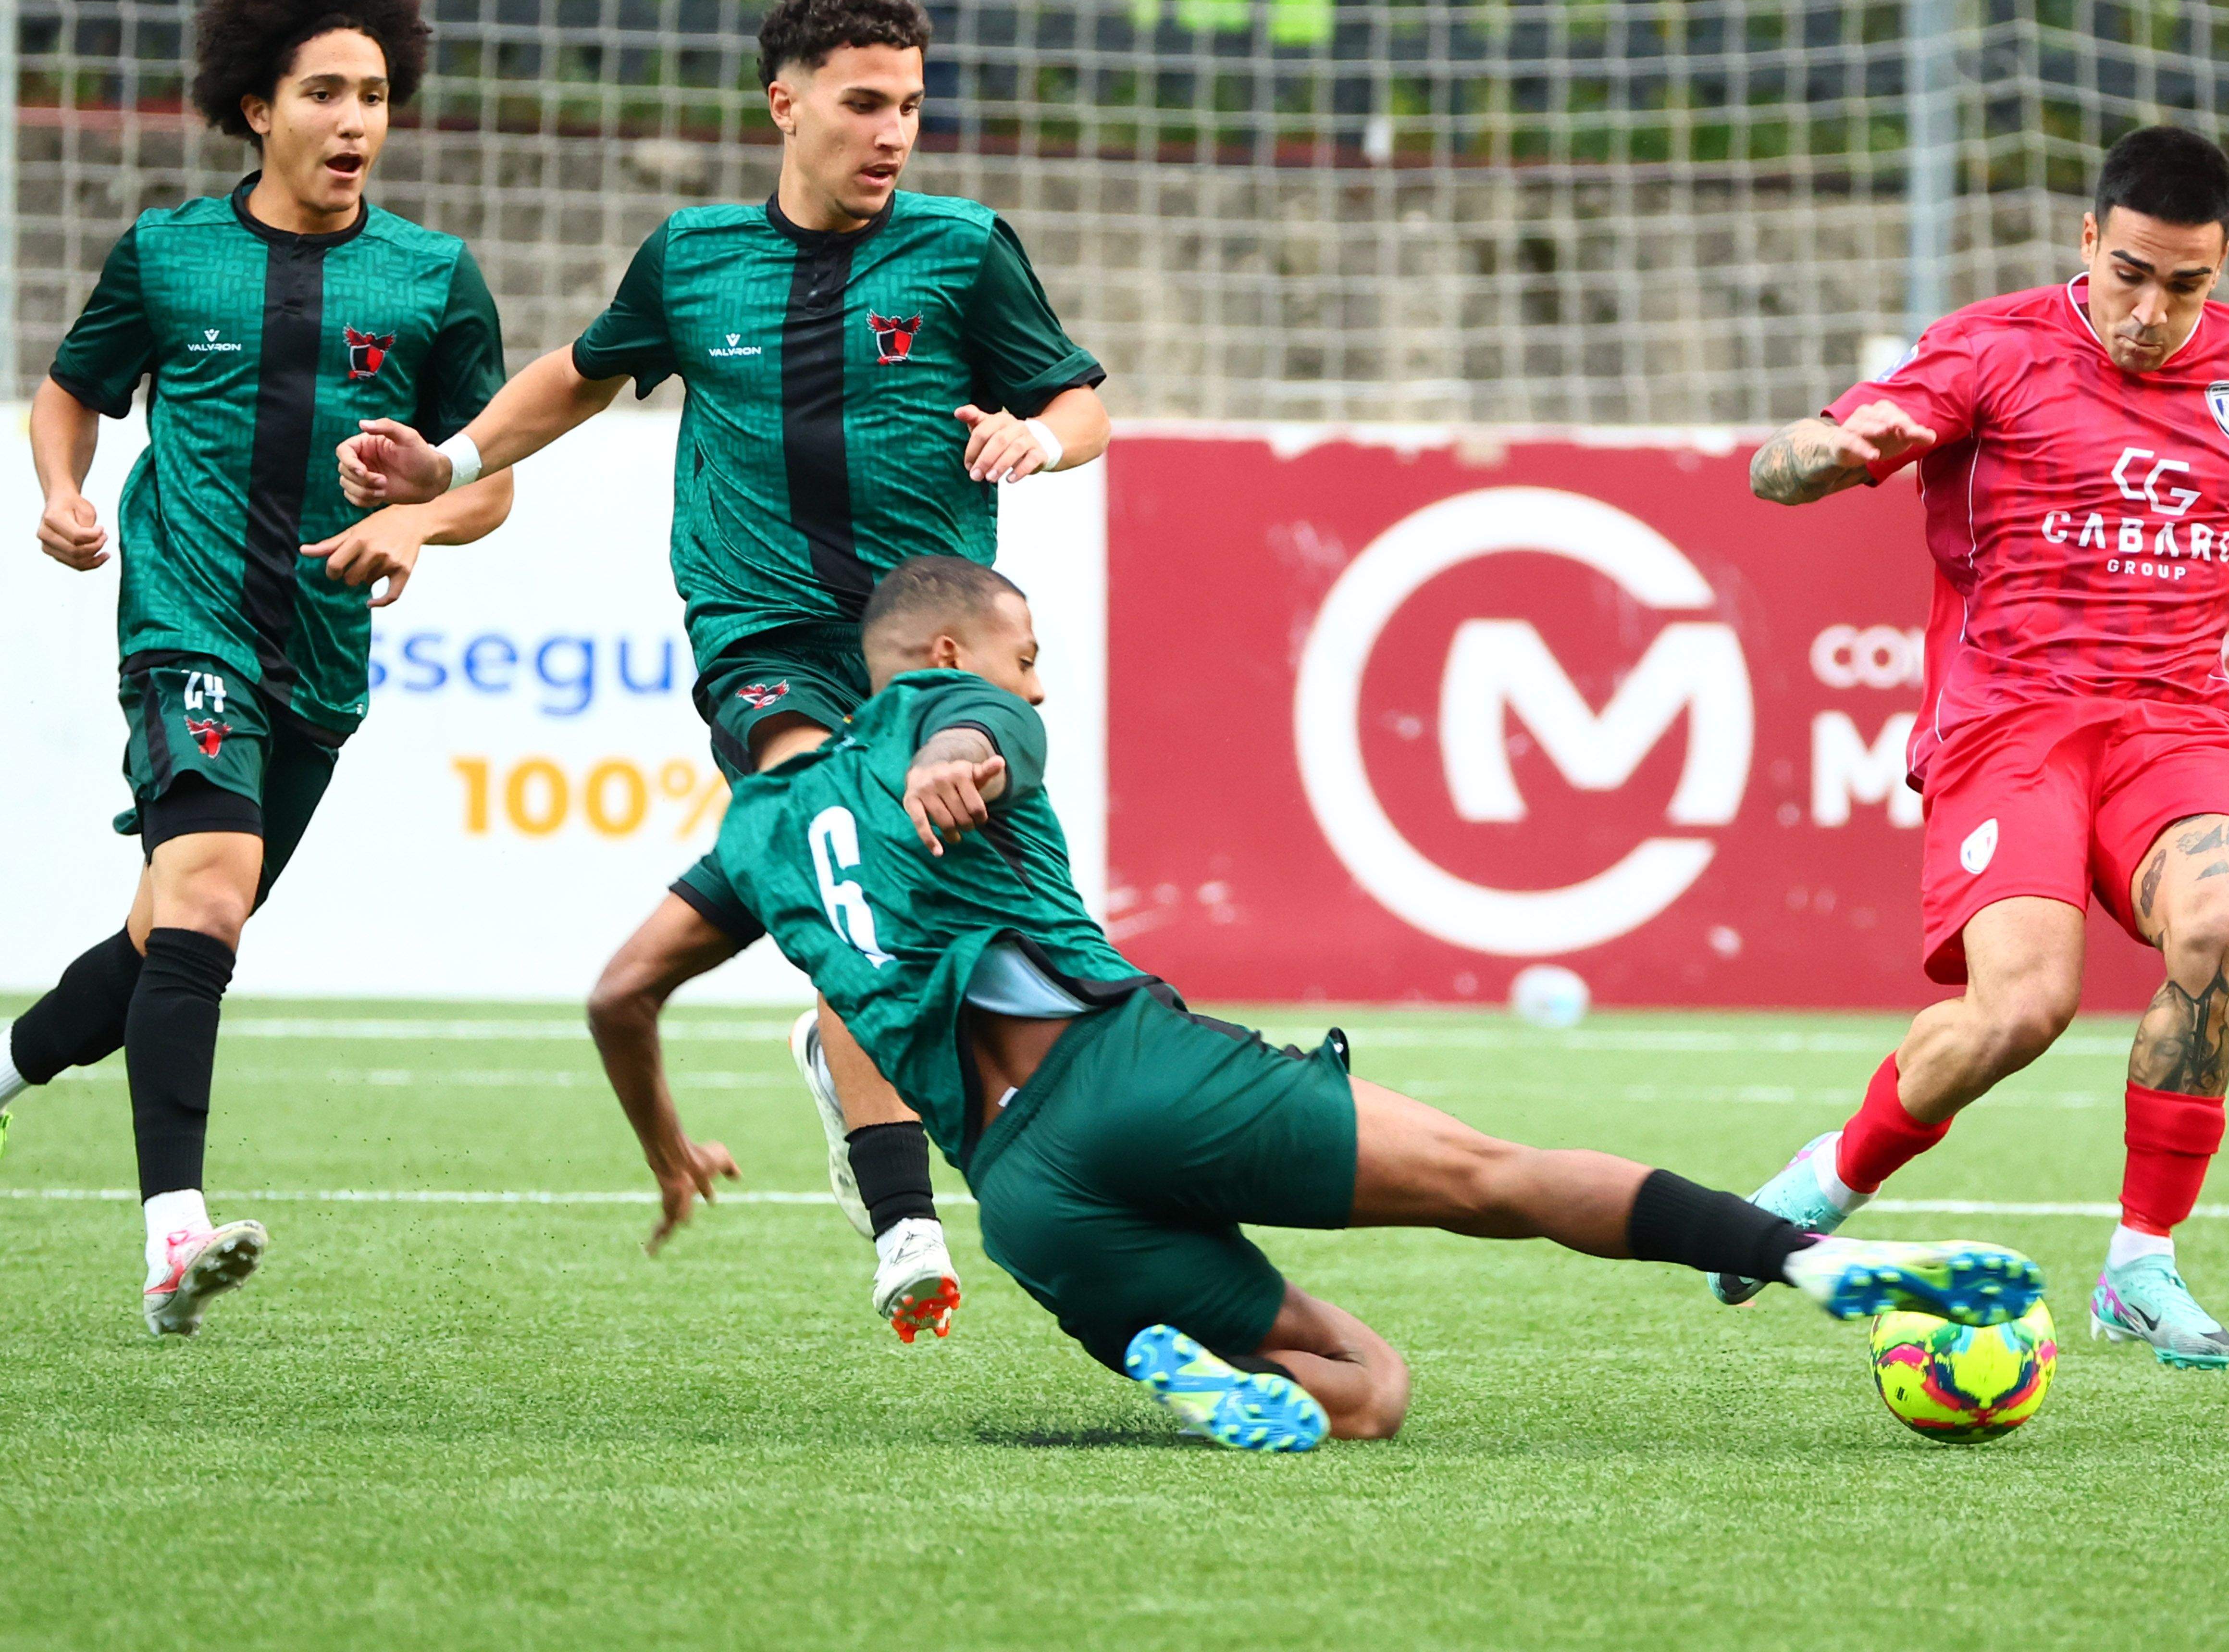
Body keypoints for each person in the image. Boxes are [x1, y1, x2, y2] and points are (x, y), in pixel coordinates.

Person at [685, 553, 2045, 1451]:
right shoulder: (960, 717)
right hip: (1137, 1075)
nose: (1038, 677)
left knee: (1367, 1391)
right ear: (940, 655)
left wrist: (665, 1136)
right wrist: (977, 740)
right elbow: (993, 732)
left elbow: (627, 991)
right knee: (1491, 1177)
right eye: (1024, 651)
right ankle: (1804, 1255)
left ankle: (1178, 1367)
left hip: (1029, 1205)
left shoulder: (762, 834)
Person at [336, 0, 1109, 1343]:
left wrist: (1035, 439)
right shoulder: (693, 259)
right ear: (785, 103)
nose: (892, 135)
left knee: (920, 910)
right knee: (845, 842)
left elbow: (1078, 400)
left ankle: (843, 1052)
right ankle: (905, 1223)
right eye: (864, 104)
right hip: (762, 641)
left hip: (926, 652)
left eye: (913, 108)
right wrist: (443, 461)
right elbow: (577, 372)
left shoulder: (961, 250)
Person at [1719, 124, 2229, 1368]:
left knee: (2215, 928)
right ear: (2088, 242)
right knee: (2024, 1010)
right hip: (2011, 728)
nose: (2152, 312)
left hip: (2176, 725)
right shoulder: (1989, 350)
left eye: (2187, 284)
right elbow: (1785, 468)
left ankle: (2142, 1262)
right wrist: (1818, 457)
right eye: (2131, 274)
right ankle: (1830, 1178)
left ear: (2225, 266)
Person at [0, 0, 516, 1336]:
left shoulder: (434, 280)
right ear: (257, 105)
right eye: (323, 92)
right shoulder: (170, 254)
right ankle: (172, 1237)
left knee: (181, 929)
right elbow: (72, 393)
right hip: (182, 616)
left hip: (319, 657)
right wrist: (61, 491)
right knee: (207, 896)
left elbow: (487, 481)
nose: (356, 120)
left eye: (373, 92)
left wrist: (417, 524)